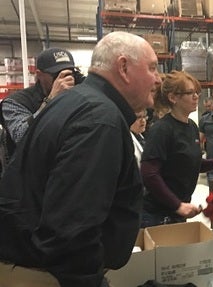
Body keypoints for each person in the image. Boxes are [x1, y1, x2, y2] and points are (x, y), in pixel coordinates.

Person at [0, 31, 161, 287]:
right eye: (152, 68)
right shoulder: (99, 120)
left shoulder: (76, 102)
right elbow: (71, 231)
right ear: (123, 67)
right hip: (49, 276)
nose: (158, 79)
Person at [140, 71, 213, 227]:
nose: (196, 97)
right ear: (173, 98)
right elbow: (149, 173)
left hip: (177, 212)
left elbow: (188, 163)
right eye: (190, 93)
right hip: (158, 215)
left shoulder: (192, 127)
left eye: (197, 92)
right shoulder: (162, 130)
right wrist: (177, 205)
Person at [0, 48, 79, 172]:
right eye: (56, 74)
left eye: (68, 74)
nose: (64, 80)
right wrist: (50, 100)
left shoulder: (76, 96)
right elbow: (21, 136)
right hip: (26, 179)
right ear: (39, 74)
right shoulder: (15, 102)